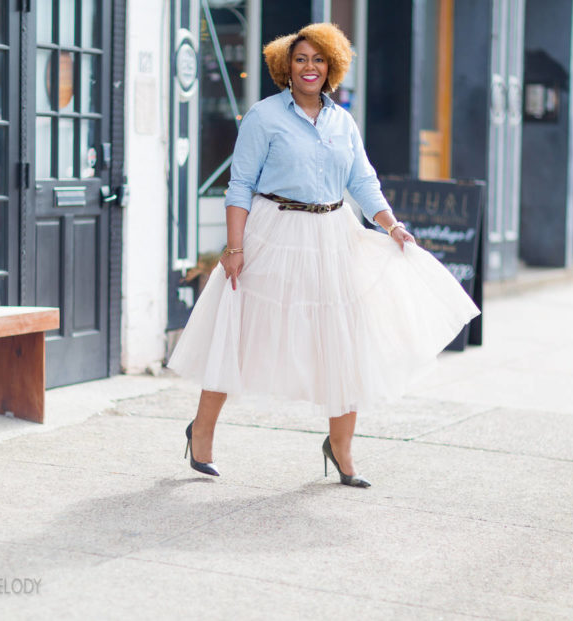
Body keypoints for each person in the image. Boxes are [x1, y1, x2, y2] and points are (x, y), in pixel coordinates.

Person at [167, 23, 480, 487]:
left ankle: (340, 448)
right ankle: (203, 432)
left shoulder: (342, 121)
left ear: (331, 66)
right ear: (285, 67)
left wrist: (391, 224)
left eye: (318, 59)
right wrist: (233, 247)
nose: (309, 67)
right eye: (300, 59)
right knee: (239, 331)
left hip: (333, 234)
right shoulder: (263, 116)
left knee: (344, 341)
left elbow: (363, 181)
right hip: (273, 231)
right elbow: (239, 185)